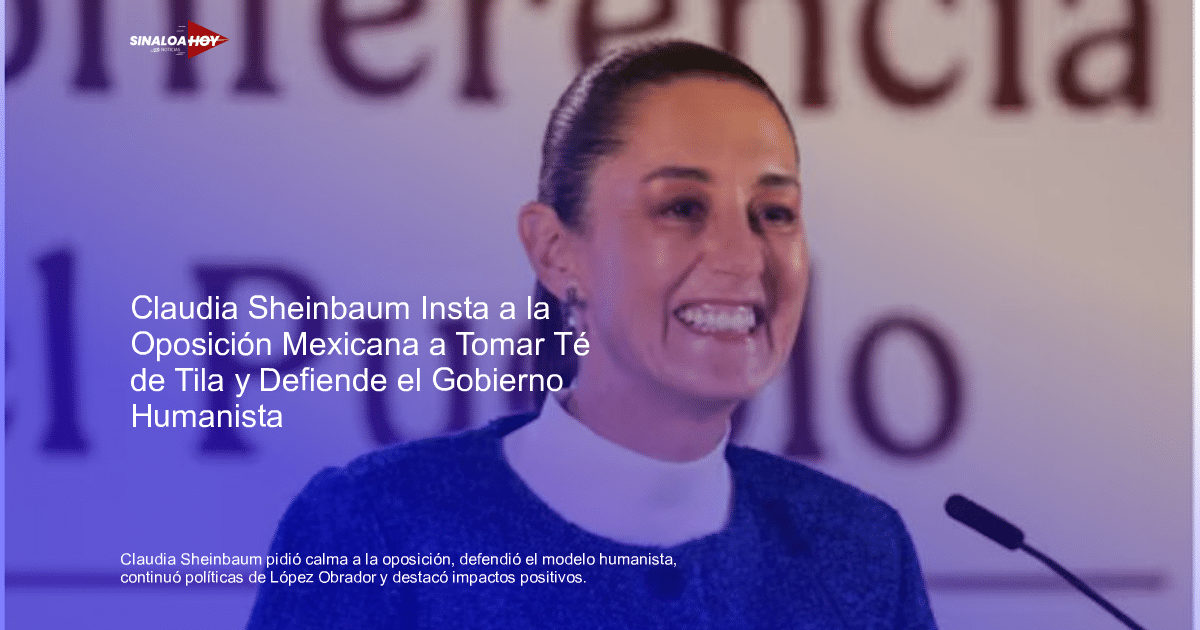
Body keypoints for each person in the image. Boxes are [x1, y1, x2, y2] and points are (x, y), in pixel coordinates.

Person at [247, 40, 938, 629]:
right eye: (682, 206)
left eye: (776, 211)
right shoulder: (374, 530)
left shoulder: (863, 552)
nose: (742, 255)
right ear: (554, 251)